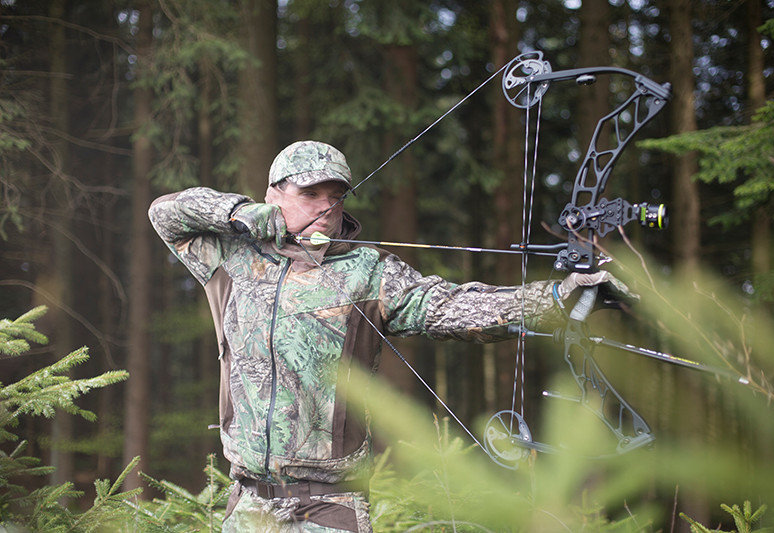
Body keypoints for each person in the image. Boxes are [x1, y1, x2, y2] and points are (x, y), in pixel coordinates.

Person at [148, 140, 631, 532]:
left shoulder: (367, 271)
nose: (325, 207)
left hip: (328, 509)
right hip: (247, 503)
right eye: (310, 194)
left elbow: (448, 307)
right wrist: (237, 213)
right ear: (273, 195)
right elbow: (165, 212)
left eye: (335, 196)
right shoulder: (230, 258)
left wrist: (555, 297)